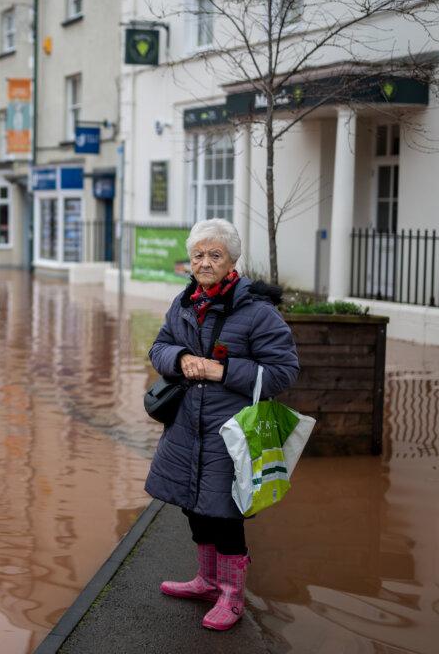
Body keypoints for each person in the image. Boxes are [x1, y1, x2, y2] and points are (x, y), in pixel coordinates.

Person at [145, 218, 299, 631]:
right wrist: (178, 359)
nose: (205, 262)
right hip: (184, 428)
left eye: (215, 255)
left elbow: (284, 372)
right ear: (190, 261)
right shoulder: (182, 304)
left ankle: (231, 595)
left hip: (231, 433)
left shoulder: (258, 312)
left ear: (232, 260)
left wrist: (221, 371)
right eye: (198, 255)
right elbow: (157, 347)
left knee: (225, 514)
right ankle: (206, 580)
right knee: (192, 505)